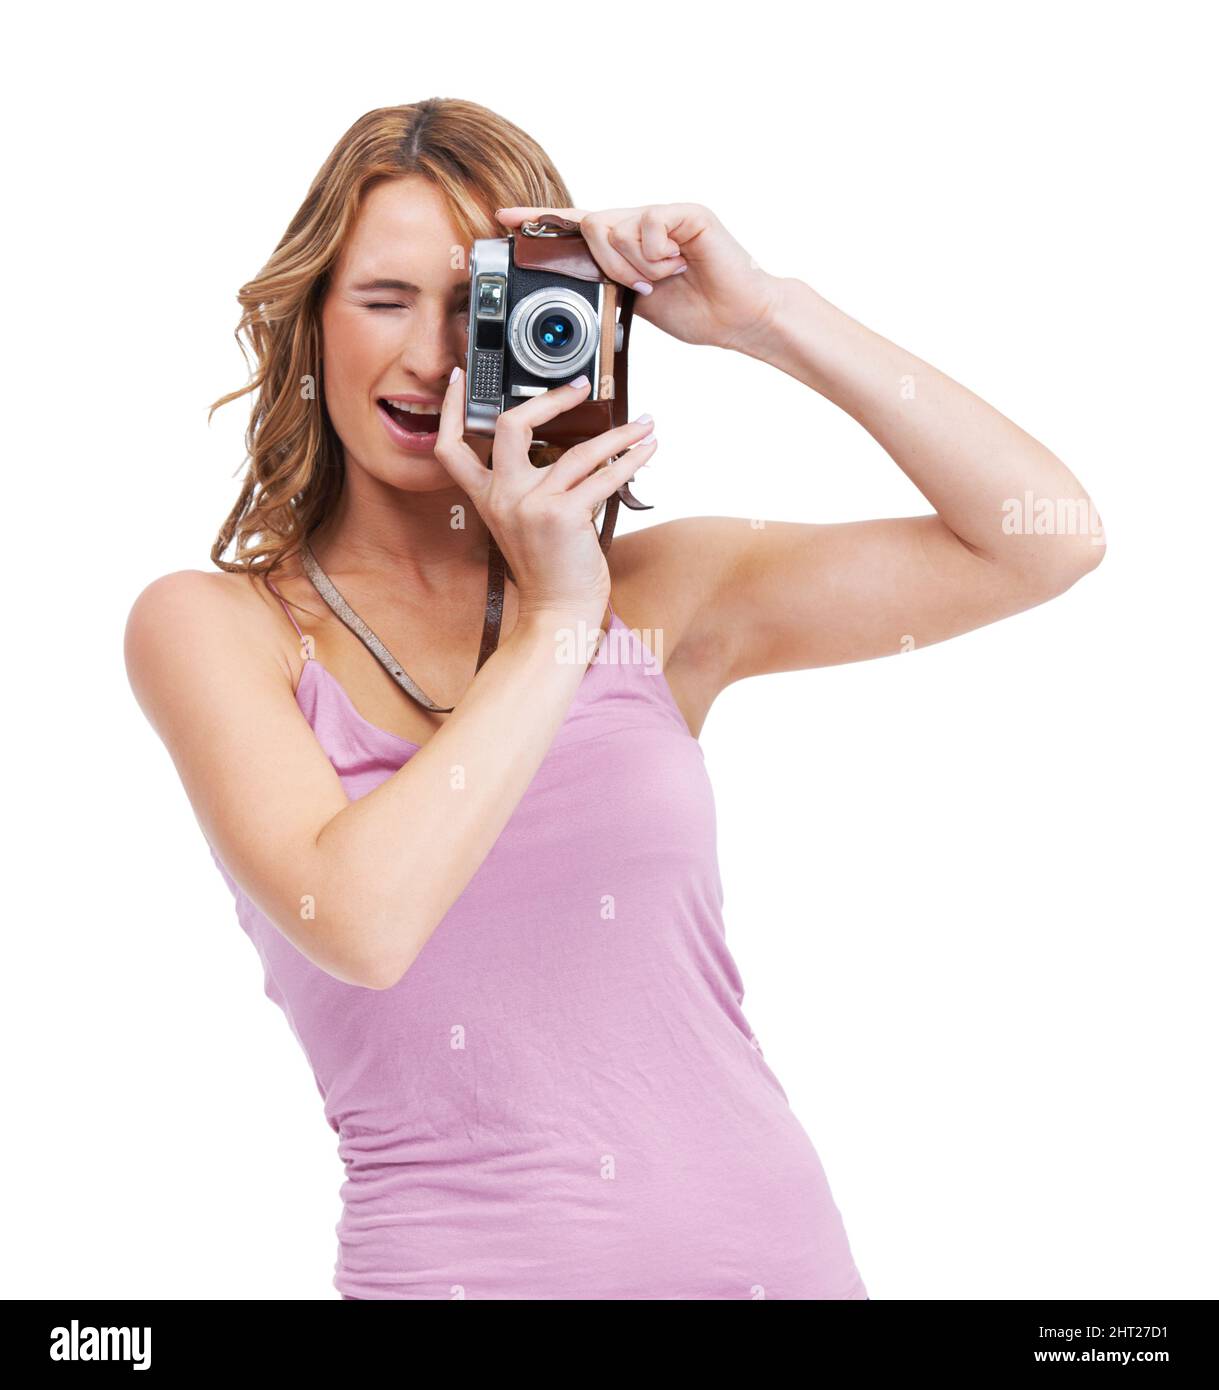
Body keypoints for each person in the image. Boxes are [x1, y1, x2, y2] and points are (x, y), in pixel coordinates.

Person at [124, 98, 1105, 1301]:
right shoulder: (216, 626)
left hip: (779, 1267)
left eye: (481, 305)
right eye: (384, 299)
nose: (432, 357)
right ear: (310, 317)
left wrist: (766, 317)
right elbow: (364, 922)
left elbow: (1041, 542)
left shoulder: (660, 596)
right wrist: (551, 619)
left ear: (574, 322)